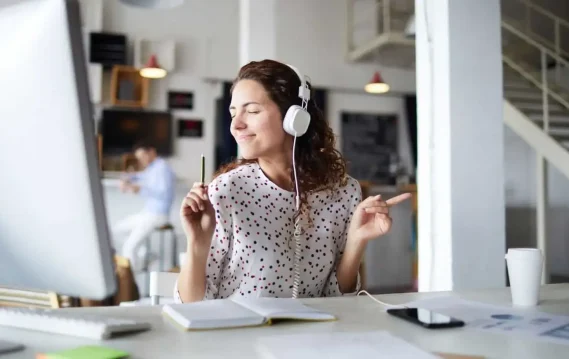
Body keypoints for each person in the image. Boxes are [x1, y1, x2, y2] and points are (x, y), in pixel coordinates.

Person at [175, 59, 410, 302]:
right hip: (239, 336)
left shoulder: (344, 191)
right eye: (233, 113)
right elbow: (192, 305)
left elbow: (337, 298)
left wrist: (356, 241)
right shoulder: (227, 190)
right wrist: (197, 245)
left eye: (252, 111)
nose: (236, 125)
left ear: (294, 118)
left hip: (312, 336)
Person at [113, 140, 175, 272]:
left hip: (158, 215)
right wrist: (128, 179)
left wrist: (138, 189)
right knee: (116, 230)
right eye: (139, 158)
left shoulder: (162, 167)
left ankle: (131, 284)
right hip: (147, 213)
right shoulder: (152, 168)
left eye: (142, 157)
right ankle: (145, 255)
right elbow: (140, 177)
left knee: (129, 247)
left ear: (152, 152)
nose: (141, 160)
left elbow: (163, 193)